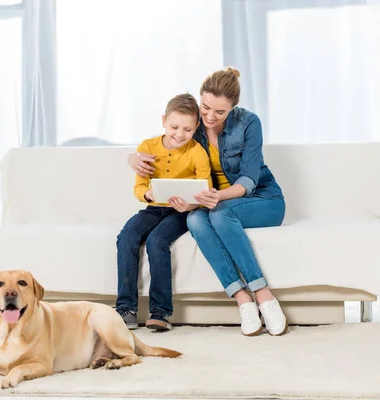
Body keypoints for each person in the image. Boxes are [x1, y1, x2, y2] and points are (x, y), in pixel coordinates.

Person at [127, 67, 288, 336]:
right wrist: (131, 157)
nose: (210, 117)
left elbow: (249, 180)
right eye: (205, 108)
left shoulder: (249, 123)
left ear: (233, 108)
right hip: (214, 202)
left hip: (262, 199)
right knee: (194, 219)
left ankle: (263, 294)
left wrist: (217, 196)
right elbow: (165, 144)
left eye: (220, 112)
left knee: (220, 214)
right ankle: (242, 299)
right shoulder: (196, 127)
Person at [116, 93, 212, 332]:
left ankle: (161, 312)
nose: (180, 134)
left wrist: (190, 205)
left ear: (196, 127)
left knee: (158, 240)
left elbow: (205, 188)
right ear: (163, 121)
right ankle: (126, 308)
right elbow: (139, 186)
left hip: (181, 213)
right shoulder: (147, 148)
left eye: (188, 129)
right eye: (174, 127)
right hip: (154, 207)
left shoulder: (198, 152)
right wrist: (147, 194)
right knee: (126, 237)